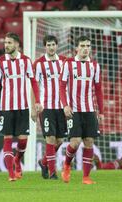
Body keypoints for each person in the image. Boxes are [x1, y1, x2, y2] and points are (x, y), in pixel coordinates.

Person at [0, 32, 43, 181]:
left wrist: (37, 101)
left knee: (22, 141)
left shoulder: (26, 61)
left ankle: (17, 160)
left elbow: (33, 81)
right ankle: (11, 174)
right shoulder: (0, 62)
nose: (6, 45)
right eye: (5, 42)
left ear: (17, 45)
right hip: (6, 108)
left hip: (22, 107)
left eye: (9, 43)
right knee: (7, 139)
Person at [59, 35, 104, 185]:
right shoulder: (69, 64)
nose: (86, 49)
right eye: (83, 46)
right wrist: (65, 105)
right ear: (76, 48)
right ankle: (66, 165)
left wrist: (101, 111)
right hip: (74, 110)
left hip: (89, 110)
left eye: (88, 46)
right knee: (75, 142)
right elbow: (62, 86)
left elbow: (98, 90)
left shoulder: (95, 66)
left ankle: (86, 177)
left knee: (89, 141)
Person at [34, 35, 67, 179]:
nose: (51, 47)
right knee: (50, 139)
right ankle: (53, 172)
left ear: (57, 46)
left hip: (61, 107)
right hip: (46, 106)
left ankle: (44, 162)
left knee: (60, 141)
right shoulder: (39, 64)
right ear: (44, 47)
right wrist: (34, 105)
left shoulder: (65, 62)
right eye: (48, 45)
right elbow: (34, 85)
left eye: (53, 44)